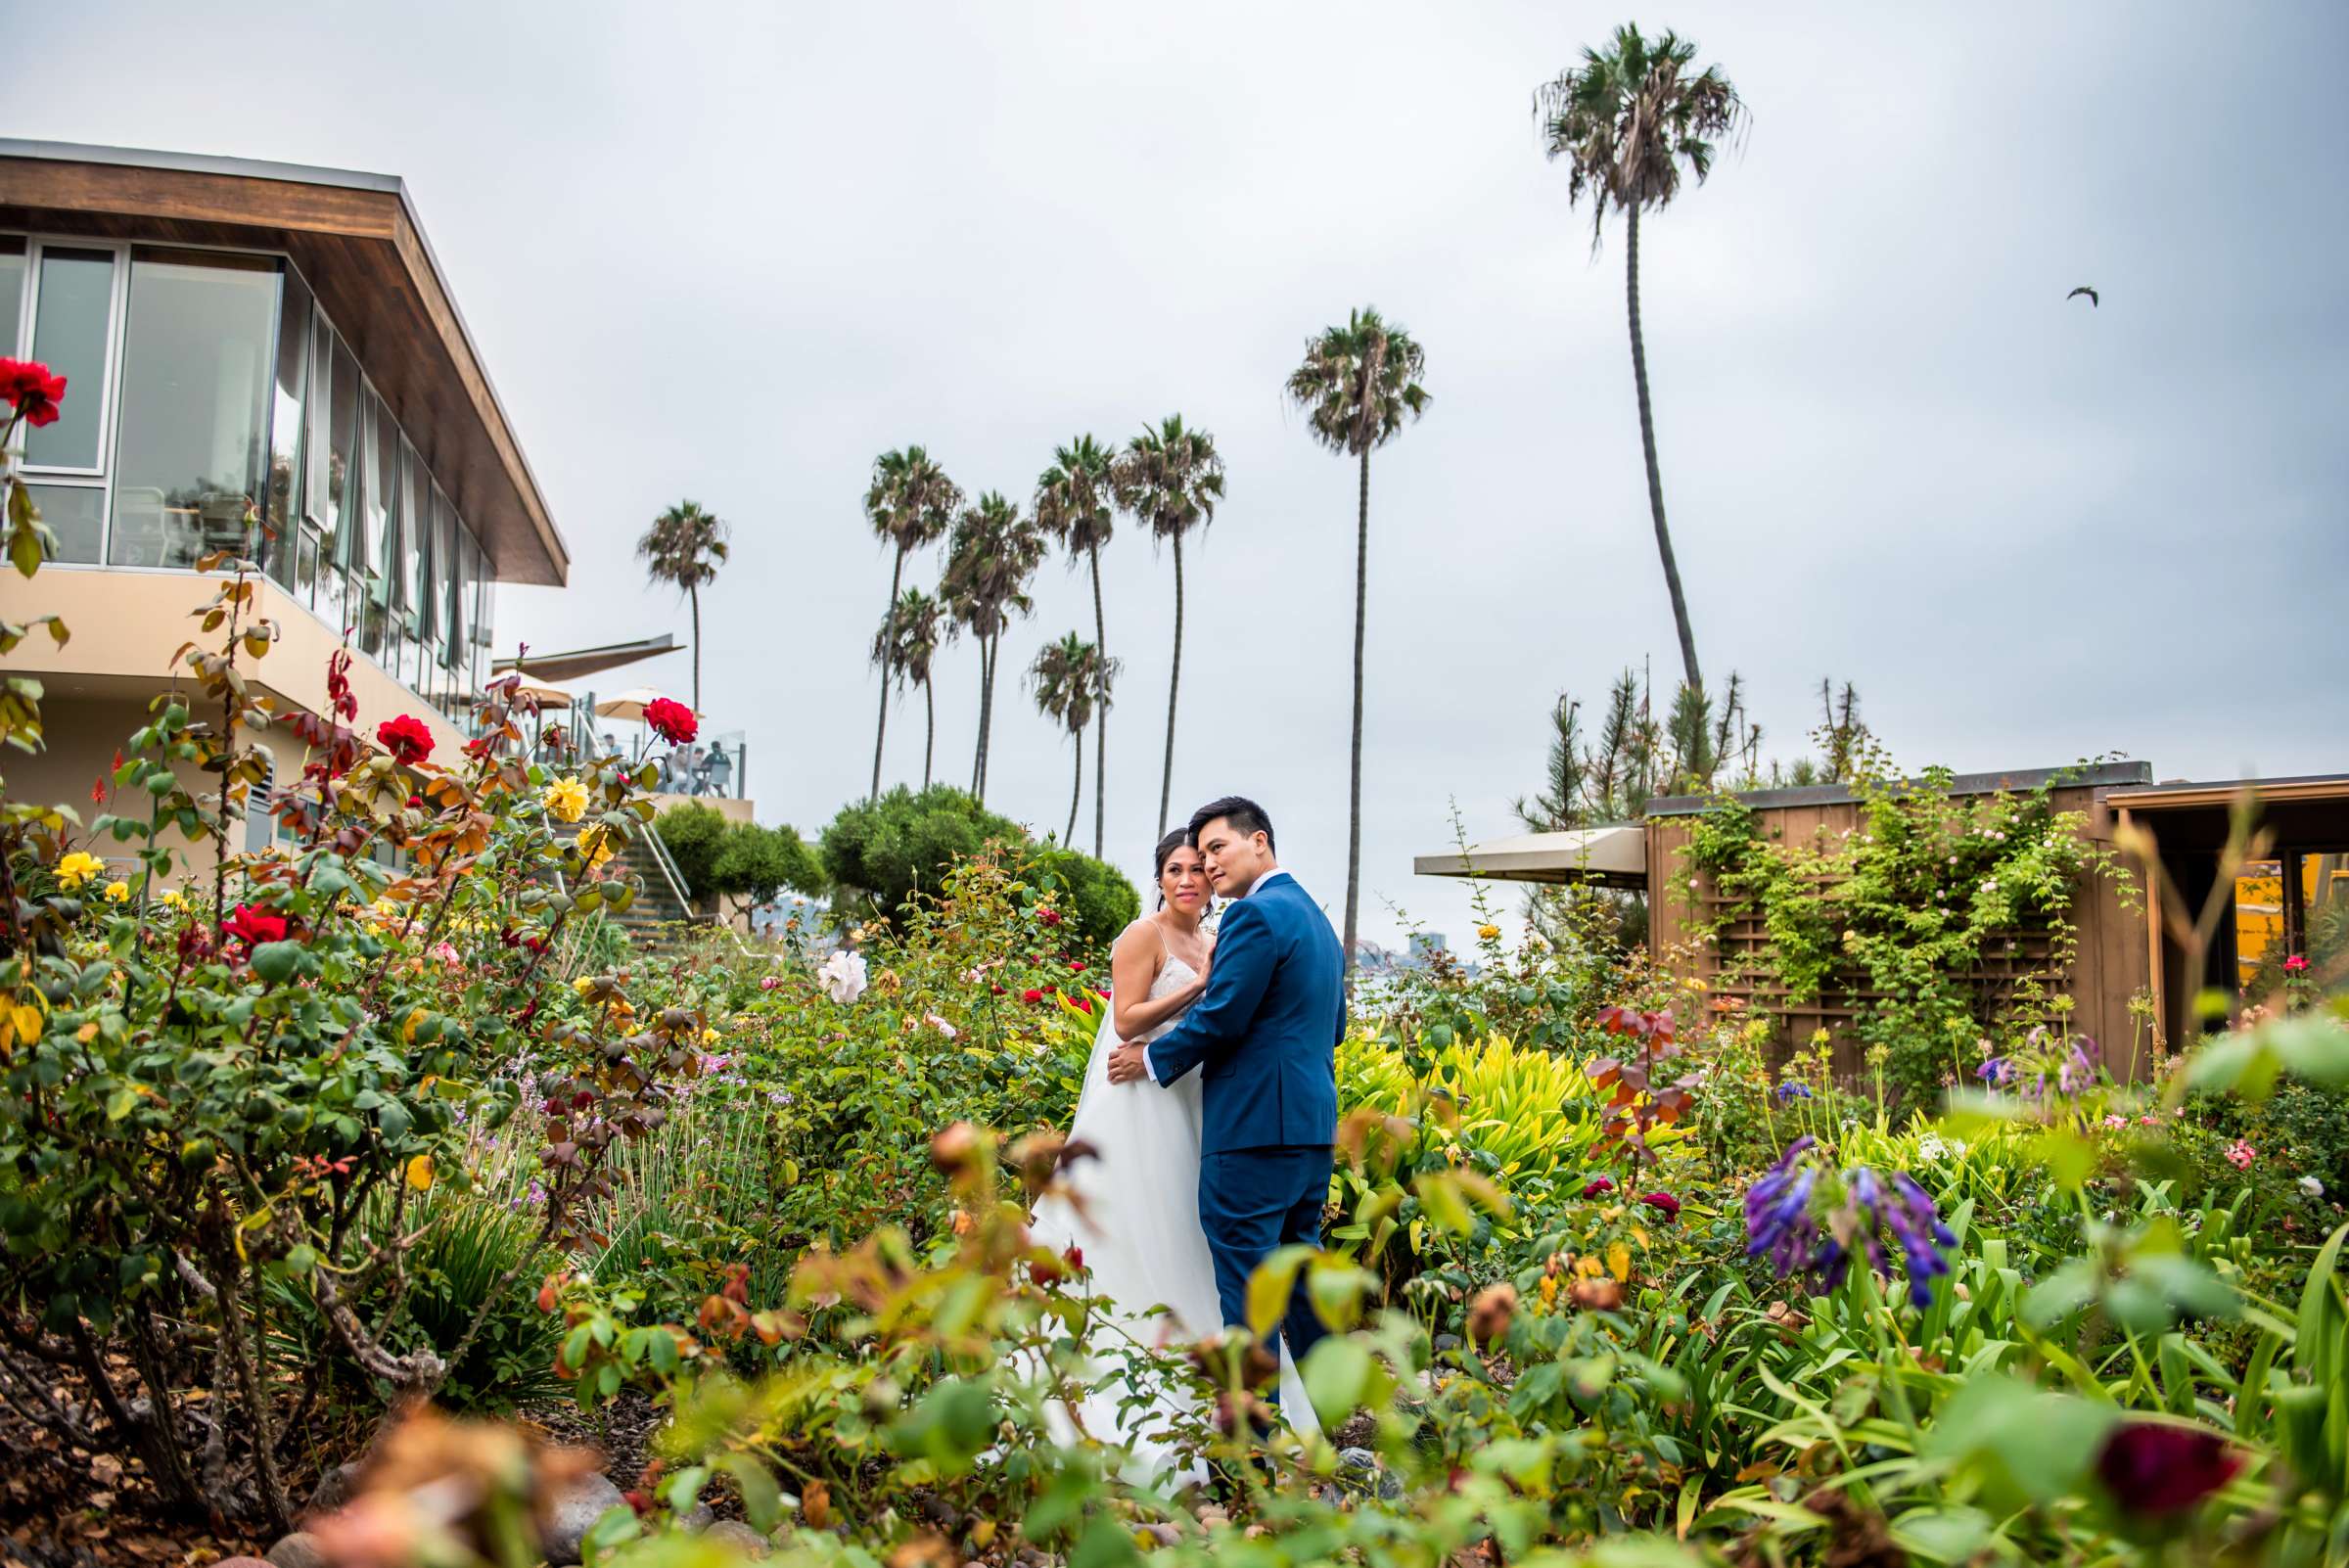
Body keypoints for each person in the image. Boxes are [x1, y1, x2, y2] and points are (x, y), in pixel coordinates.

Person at [1027, 811, 1323, 1480]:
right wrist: (1198, 986)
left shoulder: (1225, 932)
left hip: (1202, 1105)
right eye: (1177, 869)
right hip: (1141, 1095)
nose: (1192, 877)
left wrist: (1209, 983)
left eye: (1199, 865)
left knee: (1200, 1237)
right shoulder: (1144, 934)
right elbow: (1127, 1018)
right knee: (1140, 1224)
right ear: (1158, 879)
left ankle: (1232, 1400)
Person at [1105, 797, 1344, 1423]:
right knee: (1299, 1281)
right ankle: (1327, 1415)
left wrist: (1152, 1062)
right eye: (1196, 855)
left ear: (1258, 842)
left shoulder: (1253, 917)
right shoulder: (1314, 919)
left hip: (1252, 1132)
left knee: (1245, 1289)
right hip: (1310, 1128)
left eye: (1218, 849)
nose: (1206, 866)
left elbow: (1223, 1015)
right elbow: (1334, 1027)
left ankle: (1254, 1457)